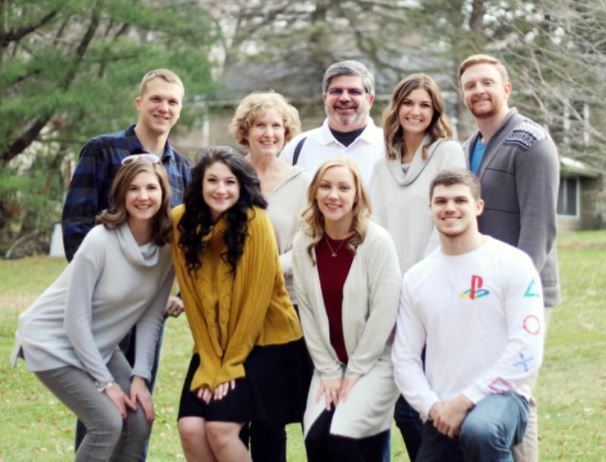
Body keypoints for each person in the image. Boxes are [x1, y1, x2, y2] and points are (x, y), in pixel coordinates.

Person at [61, 68, 191, 459]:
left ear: (180, 109)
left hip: (148, 308)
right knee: (104, 410)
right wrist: (102, 292)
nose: (163, 107)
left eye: (172, 101)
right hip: (104, 306)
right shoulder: (102, 150)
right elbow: (77, 227)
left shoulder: (183, 169)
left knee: (139, 405)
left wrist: (177, 293)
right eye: (156, 99)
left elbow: (184, 243)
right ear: (139, 103)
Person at [12, 157, 175, 462]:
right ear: (121, 194)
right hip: (51, 340)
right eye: (133, 188)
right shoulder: (100, 240)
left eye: (151, 188)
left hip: (99, 343)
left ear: (164, 193)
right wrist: (106, 383)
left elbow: (151, 317)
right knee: (107, 423)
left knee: (139, 421)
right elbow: (75, 320)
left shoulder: (168, 249)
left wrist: (140, 376)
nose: (143, 196)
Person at [392, 168, 545, 462]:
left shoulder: (512, 263)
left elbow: (526, 349)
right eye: (441, 201)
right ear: (430, 208)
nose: (450, 208)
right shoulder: (417, 277)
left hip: (502, 398)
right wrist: (433, 407)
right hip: (443, 407)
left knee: (480, 430)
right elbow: (404, 358)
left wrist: (466, 400)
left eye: (460, 200)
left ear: (478, 206)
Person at [172, 147, 307, 462]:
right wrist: (209, 362)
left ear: (242, 185)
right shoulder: (181, 221)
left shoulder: (255, 222)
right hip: (214, 343)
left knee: (220, 428)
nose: (220, 189)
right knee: (190, 428)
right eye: (212, 181)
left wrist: (229, 365)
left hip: (267, 339)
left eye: (229, 182)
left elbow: (254, 305)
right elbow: (192, 300)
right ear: (199, 184)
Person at [458, 53, 560, 461]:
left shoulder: (531, 142)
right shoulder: (470, 146)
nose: (479, 91)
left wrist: (516, 294)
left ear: (506, 88)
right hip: (481, 290)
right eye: (470, 85)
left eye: (487, 82)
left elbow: (539, 230)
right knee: (486, 392)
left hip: (522, 293)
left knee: (515, 391)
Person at [369, 72, 466, 460]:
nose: (415, 111)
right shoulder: (382, 166)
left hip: (432, 288)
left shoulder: (447, 153)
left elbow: (447, 217)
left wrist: (414, 282)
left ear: (435, 112)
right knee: (402, 403)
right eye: (408, 103)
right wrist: (386, 287)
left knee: (427, 397)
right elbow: (374, 228)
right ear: (396, 108)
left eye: (425, 105)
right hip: (390, 291)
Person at [292, 158, 401, 462]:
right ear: (314, 192)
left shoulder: (376, 242)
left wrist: (353, 373)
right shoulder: (305, 243)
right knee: (316, 437)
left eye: (343, 188)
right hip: (330, 363)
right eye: (325, 187)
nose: (333, 195)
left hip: (375, 361)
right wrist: (329, 372)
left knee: (343, 439)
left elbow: (383, 315)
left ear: (357, 195)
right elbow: (308, 315)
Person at [229, 91, 312, 461]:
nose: (268, 133)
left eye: (276, 126)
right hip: (235, 308)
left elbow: (307, 241)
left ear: (286, 132)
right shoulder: (228, 177)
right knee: (233, 412)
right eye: (260, 125)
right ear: (245, 131)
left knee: (269, 415)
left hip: (283, 306)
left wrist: (267, 269)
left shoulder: (302, 182)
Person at [280, 60, 383, 185]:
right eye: (336, 91)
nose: (344, 98)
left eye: (354, 91)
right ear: (325, 98)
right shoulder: (297, 148)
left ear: (370, 100)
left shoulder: (392, 147)